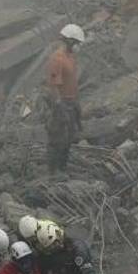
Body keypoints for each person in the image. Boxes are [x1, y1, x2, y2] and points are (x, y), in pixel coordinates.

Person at [45, 24, 85, 174]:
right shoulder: (57, 59)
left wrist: (76, 104)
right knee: (57, 138)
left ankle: (63, 168)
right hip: (61, 103)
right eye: (77, 43)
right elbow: (53, 85)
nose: (78, 46)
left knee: (69, 138)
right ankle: (53, 172)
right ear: (69, 41)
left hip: (72, 102)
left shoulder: (70, 58)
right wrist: (59, 105)